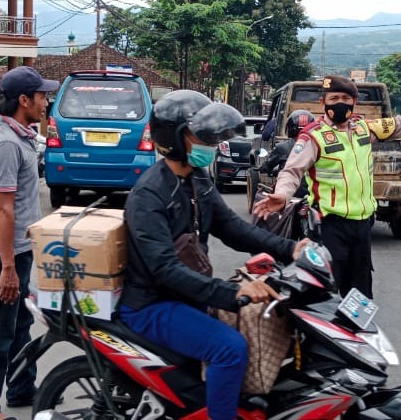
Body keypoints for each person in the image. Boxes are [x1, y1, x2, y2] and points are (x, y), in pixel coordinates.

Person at [121, 90, 309, 420]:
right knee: (229, 347)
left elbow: (234, 228)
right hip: (153, 304)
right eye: (203, 136)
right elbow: (165, 269)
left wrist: (291, 248)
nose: (212, 143)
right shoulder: (149, 195)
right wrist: (234, 292)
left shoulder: (196, 179)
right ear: (175, 139)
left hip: (185, 294)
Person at [253, 76, 401, 298]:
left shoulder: (364, 129)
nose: (340, 102)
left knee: (360, 295)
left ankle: (357, 331)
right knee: (322, 294)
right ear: (323, 102)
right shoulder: (313, 136)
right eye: (334, 98)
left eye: (345, 98)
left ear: (354, 102)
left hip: (362, 228)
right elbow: (292, 171)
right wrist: (281, 194)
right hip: (328, 227)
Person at [0, 67, 58, 420]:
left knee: (20, 323)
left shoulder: (19, 135)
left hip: (18, 251)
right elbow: (4, 210)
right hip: (2, 253)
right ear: (24, 100)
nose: (45, 102)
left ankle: (21, 388)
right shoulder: (7, 144)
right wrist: (7, 267)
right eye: (41, 96)